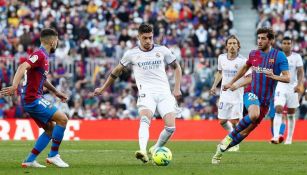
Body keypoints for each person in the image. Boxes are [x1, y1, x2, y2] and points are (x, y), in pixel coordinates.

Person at [92, 23, 182, 163]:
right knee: (145, 119)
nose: (148, 41)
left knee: (171, 127)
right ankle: (143, 150)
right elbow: (116, 71)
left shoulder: (162, 50)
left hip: (164, 93)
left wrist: (177, 88)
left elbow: (177, 67)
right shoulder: (131, 54)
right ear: (138, 37)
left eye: (150, 38)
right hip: (146, 93)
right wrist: (103, 88)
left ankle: (155, 148)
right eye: (145, 38)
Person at [211, 27, 290, 164]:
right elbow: (245, 68)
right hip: (251, 93)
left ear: (270, 40)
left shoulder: (279, 56)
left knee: (246, 132)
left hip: (265, 101)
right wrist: (232, 82)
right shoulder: (254, 54)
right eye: (258, 38)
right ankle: (229, 137)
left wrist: (274, 76)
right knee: (253, 114)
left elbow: (287, 78)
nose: (259, 41)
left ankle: (220, 151)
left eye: (263, 38)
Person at [0, 28, 69, 168]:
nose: (57, 43)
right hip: (32, 99)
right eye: (56, 40)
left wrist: (56, 92)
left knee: (50, 129)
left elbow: (42, 79)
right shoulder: (40, 54)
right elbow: (22, 67)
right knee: (62, 119)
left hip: (31, 99)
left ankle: (29, 160)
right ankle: (53, 155)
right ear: (52, 41)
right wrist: (14, 86)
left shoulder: (43, 56)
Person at [210, 35, 248, 152]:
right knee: (222, 121)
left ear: (238, 46)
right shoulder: (221, 58)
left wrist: (236, 85)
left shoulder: (243, 61)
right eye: (230, 43)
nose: (232, 46)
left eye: (234, 43)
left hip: (237, 96)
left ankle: (234, 143)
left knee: (235, 121)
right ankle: (232, 138)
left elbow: (249, 78)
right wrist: (214, 86)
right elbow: (220, 73)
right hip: (224, 94)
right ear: (226, 46)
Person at [271, 36, 304, 144]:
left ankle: (289, 139)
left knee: (291, 113)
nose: (286, 45)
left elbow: (300, 71)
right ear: (281, 45)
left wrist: (299, 84)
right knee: (278, 109)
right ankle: (276, 137)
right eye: (284, 43)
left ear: (291, 44)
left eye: (288, 43)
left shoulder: (296, 57)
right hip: (281, 86)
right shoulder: (277, 56)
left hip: (293, 87)